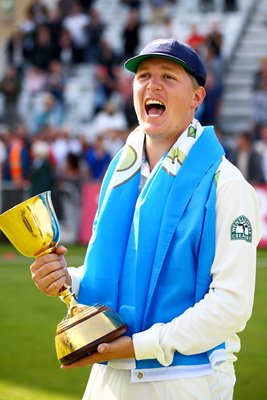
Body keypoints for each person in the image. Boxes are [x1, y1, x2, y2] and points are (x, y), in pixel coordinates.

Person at [30, 38, 262, 400]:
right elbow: (118, 275)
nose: (152, 85)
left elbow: (231, 306)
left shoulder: (226, 183)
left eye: (168, 77)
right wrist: (66, 280)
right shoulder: (121, 171)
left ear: (197, 98)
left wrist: (138, 346)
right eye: (143, 76)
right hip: (108, 379)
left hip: (187, 381)